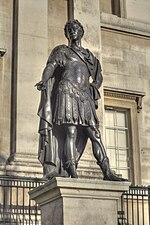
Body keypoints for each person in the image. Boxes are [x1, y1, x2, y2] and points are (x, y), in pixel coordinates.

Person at [36, 20, 127, 181]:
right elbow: (51, 66)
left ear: (81, 32)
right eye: (69, 29)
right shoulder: (62, 51)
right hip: (67, 92)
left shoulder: (89, 56)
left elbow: (98, 77)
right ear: (66, 34)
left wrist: (94, 87)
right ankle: (72, 172)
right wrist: (44, 80)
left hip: (84, 96)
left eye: (75, 29)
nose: (72, 31)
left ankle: (107, 171)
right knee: (70, 132)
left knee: (95, 133)